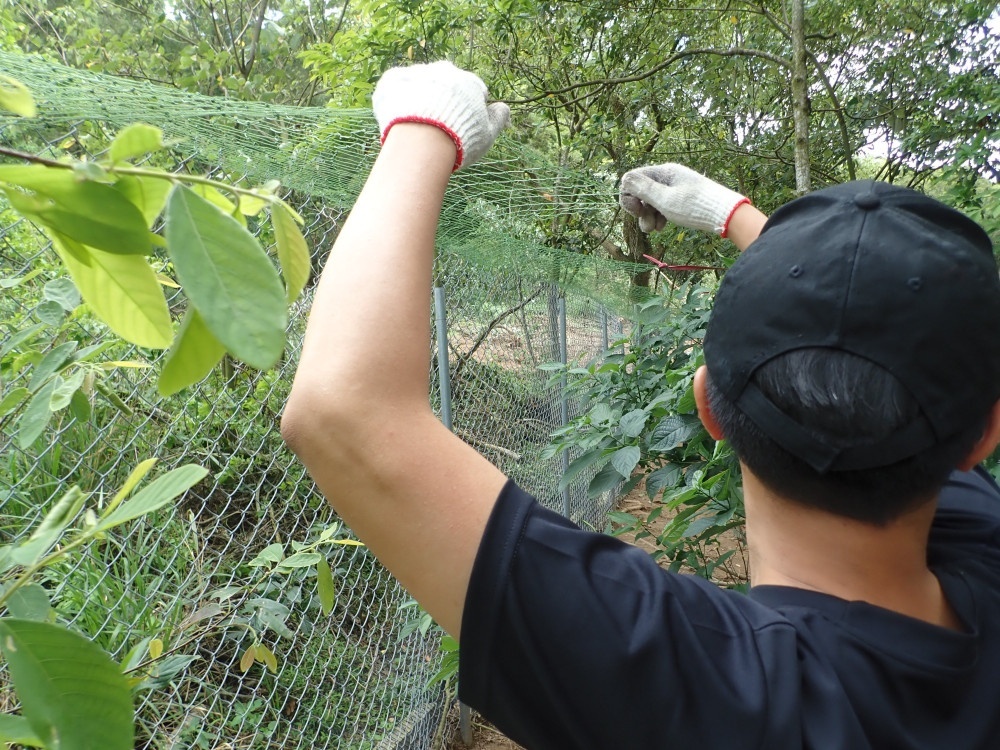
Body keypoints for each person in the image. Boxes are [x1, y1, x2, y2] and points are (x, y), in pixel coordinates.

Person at [280, 61, 1000, 749]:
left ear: (708, 408)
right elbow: (879, 351)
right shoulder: (981, 564)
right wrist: (733, 215)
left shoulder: (724, 698)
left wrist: (421, 127)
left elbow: (345, 413)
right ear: (982, 439)